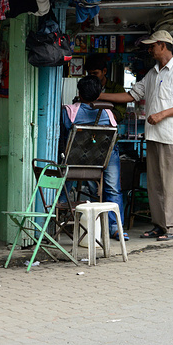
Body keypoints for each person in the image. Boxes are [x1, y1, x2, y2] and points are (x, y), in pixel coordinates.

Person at [100, 30, 173, 241]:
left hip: (171, 136)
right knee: (155, 184)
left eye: (152, 45)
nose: (149, 49)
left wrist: (163, 114)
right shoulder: (153, 73)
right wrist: (99, 96)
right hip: (154, 136)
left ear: (163, 45)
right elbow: (132, 95)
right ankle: (161, 225)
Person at [61, 76, 127, 240]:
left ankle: (58, 219)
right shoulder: (108, 113)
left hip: (76, 161)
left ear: (79, 93)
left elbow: (64, 137)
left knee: (64, 179)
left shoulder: (69, 112)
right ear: (99, 95)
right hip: (102, 160)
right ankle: (115, 228)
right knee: (113, 188)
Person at [85, 55, 127, 124]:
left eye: (95, 73)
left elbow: (119, 115)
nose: (92, 77)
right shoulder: (86, 87)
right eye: (90, 74)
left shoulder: (117, 89)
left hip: (108, 130)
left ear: (104, 71)